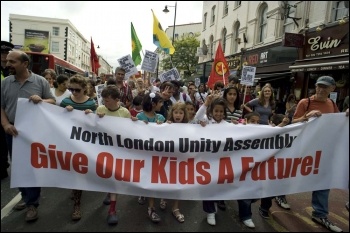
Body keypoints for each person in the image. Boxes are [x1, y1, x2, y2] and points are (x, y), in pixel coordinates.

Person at [1, 50, 56, 222]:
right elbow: (1, 107)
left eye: (12, 61)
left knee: (32, 167)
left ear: (25, 64)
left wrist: (42, 100)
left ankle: (32, 203)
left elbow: (53, 101)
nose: (7, 64)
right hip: (12, 131)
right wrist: (5, 124)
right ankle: (25, 196)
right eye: (7, 61)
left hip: (34, 132)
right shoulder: (5, 83)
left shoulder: (40, 81)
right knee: (17, 167)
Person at [292, 76, 343, 232]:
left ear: (332, 89)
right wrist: (306, 117)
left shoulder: (332, 104)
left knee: (323, 180)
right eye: (319, 86)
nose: (321, 89)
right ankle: (280, 194)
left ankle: (320, 213)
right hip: (304, 147)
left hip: (323, 149)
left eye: (325, 87)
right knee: (291, 174)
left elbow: (338, 122)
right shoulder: (305, 102)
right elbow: (293, 123)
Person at [87, 85, 134, 225]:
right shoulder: (101, 109)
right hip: (103, 149)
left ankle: (112, 210)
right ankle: (109, 192)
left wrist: (135, 122)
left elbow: (130, 131)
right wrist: (92, 115)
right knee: (106, 174)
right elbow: (93, 127)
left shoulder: (125, 112)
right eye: (104, 100)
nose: (104, 103)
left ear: (116, 100)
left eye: (107, 100)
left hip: (118, 150)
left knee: (114, 178)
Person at [60, 74, 97, 221]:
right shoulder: (65, 102)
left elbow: (97, 123)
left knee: (79, 172)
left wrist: (92, 114)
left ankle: (77, 204)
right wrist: (63, 112)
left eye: (77, 90)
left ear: (84, 89)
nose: (74, 93)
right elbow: (55, 120)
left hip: (85, 143)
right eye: (71, 89)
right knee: (72, 171)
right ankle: (75, 194)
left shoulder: (91, 103)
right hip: (68, 142)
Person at [194, 94, 230, 226]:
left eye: (221, 111)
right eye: (216, 111)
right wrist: (206, 103)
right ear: (211, 111)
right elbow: (196, 117)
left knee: (218, 186)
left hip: (222, 161)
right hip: (207, 160)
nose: (219, 113)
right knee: (208, 186)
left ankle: (215, 204)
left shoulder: (228, 125)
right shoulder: (206, 122)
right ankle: (210, 212)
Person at [136, 92, 165, 223]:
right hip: (143, 154)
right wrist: (136, 123)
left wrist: (163, 126)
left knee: (152, 178)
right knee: (143, 174)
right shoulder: (139, 116)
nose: (162, 105)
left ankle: (151, 208)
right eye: (160, 102)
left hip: (156, 155)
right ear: (153, 104)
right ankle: (142, 192)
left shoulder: (161, 118)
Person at [162, 102, 189, 223]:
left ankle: (175, 207)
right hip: (167, 159)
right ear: (171, 113)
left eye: (181, 113)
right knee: (165, 180)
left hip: (181, 160)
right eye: (176, 112)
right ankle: (164, 197)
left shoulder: (189, 127)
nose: (178, 115)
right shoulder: (166, 125)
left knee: (179, 184)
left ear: (184, 114)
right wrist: (161, 126)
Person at [0, 41, 14, 180]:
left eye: (6, 53)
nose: (4, 56)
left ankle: (4, 166)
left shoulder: (14, 70)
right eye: (2, 53)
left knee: (5, 142)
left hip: (8, 111)